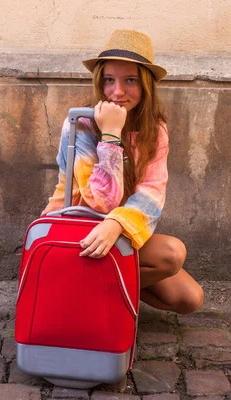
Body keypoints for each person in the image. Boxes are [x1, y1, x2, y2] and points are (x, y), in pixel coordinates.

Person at [42, 29, 203, 314]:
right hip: (77, 230)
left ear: (146, 85)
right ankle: (91, 297)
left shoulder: (155, 131)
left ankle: (99, 292)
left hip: (116, 230)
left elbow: (151, 194)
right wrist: (111, 134)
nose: (118, 92)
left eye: (130, 80)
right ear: (99, 82)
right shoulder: (81, 123)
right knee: (171, 252)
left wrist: (116, 225)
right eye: (109, 80)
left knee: (189, 298)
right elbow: (100, 201)